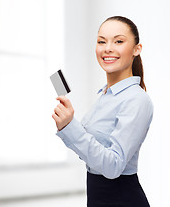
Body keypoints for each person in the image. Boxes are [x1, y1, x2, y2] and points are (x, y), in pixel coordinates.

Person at [52, 16, 154, 207]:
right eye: (101, 41)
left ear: (136, 49)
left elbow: (112, 166)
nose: (107, 48)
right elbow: (92, 155)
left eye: (118, 41)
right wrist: (69, 126)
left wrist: (70, 126)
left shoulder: (137, 100)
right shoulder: (106, 94)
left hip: (122, 200)